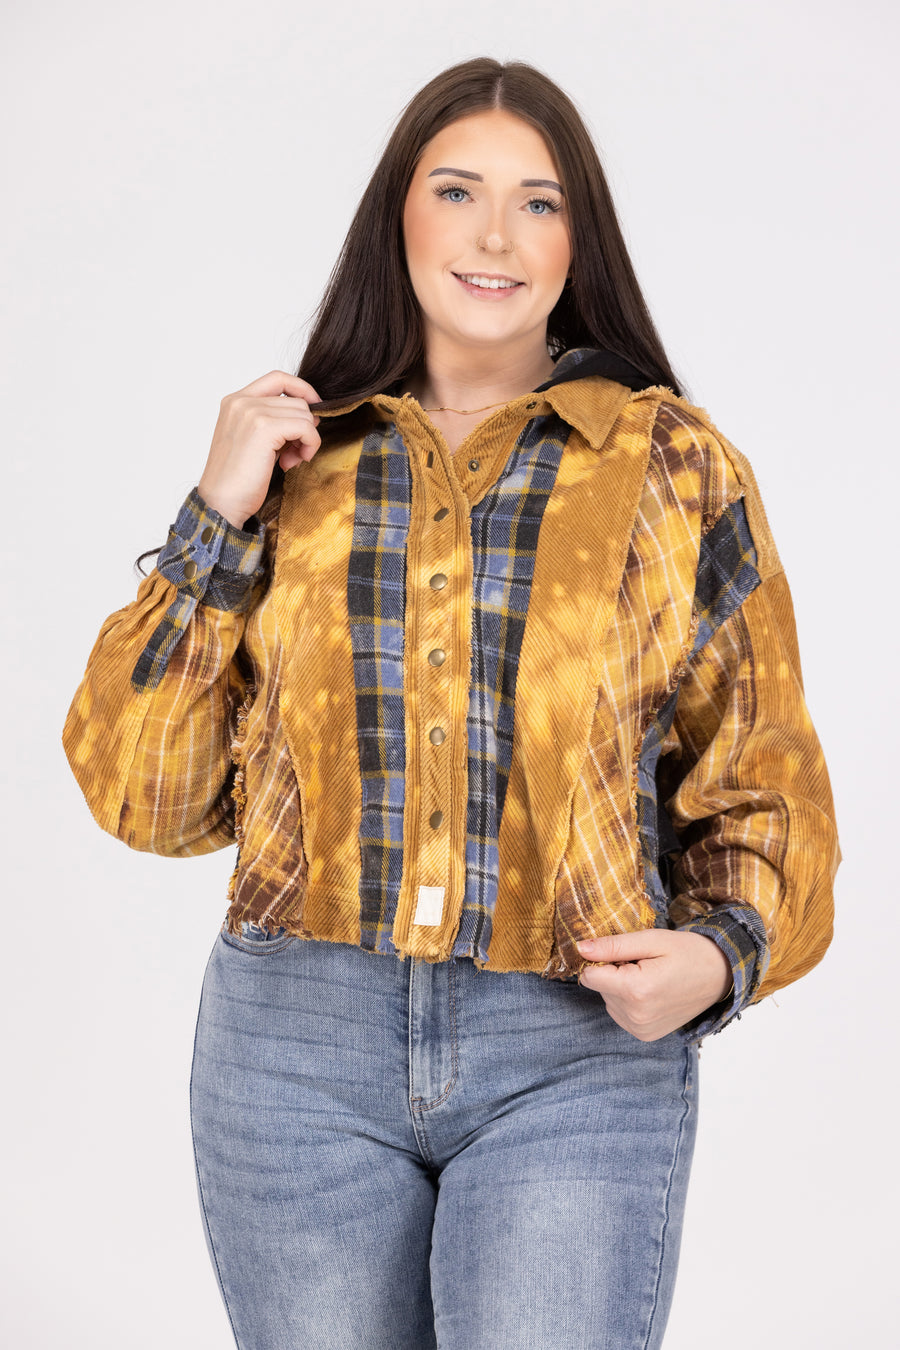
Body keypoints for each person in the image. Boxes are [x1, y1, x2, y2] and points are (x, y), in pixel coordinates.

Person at [63, 56, 839, 1350]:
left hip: (573, 1047)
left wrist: (721, 956)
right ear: (399, 215)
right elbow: (147, 794)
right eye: (458, 191)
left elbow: (763, 771)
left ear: (578, 238)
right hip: (293, 1051)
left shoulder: (671, 465)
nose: (495, 236)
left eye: (538, 202)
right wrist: (217, 516)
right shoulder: (296, 461)